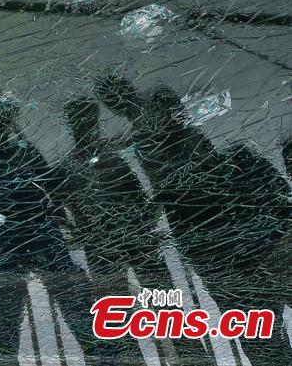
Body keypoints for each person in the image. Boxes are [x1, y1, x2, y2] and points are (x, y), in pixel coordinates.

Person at [96, 76, 292, 363]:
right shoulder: (153, 140)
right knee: (263, 342)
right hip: (222, 245)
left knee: (263, 342)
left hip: (229, 243)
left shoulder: (220, 157)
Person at [0, 91, 112, 365]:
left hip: (14, 237)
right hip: (34, 233)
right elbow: (51, 189)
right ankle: (102, 355)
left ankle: (101, 353)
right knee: (68, 302)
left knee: (9, 313)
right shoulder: (19, 153)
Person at [62, 97, 211, 363]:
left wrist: (141, 218)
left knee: (148, 303)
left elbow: (133, 193)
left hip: (122, 239)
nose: (87, 128)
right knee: (136, 304)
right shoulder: (85, 163)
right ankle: (185, 355)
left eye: (86, 121)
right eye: (82, 122)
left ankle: (186, 355)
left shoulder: (93, 161)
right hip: (116, 241)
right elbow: (131, 194)